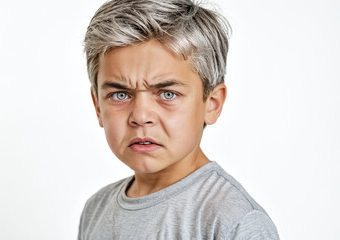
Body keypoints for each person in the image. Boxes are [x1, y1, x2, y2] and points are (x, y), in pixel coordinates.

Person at [78, 0, 279, 239]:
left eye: (167, 94)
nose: (141, 117)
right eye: (120, 94)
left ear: (212, 103)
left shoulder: (233, 221)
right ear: (97, 106)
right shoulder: (96, 209)